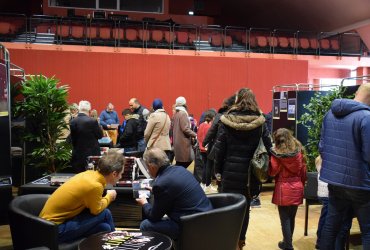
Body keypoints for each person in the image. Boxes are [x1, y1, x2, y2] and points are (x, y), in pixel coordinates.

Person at [213, 88, 272, 250]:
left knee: (227, 208)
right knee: (245, 210)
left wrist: (217, 171)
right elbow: (269, 147)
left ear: (238, 100)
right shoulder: (260, 123)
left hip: (229, 173)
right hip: (250, 177)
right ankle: (240, 243)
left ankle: (228, 242)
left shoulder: (226, 121)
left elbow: (220, 149)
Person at [319, 83, 370, 250]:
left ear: (357, 93)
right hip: (360, 183)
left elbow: (322, 148)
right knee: (367, 231)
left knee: (331, 226)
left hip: (334, 180)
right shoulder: (366, 117)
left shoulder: (330, 114)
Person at [40, 150, 125, 243]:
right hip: (54, 230)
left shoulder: (89, 174)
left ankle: (113, 242)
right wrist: (109, 196)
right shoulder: (95, 185)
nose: (121, 177)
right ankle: (117, 244)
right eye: (121, 174)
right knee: (106, 213)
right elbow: (96, 210)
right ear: (114, 174)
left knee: (105, 227)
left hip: (52, 225)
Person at [135, 148, 213, 240]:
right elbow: (175, 190)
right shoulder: (180, 169)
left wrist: (144, 203)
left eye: (147, 167)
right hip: (207, 218)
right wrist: (156, 191)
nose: (148, 170)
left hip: (190, 225)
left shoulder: (161, 184)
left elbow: (154, 216)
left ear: (152, 167)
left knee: (146, 225)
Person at [268, 128, 307, 250]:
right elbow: (303, 171)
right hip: (297, 186)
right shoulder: (299, 151)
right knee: (291, 217)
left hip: (283, 188)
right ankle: (286, 243)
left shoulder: (277, 153)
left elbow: (273, 171)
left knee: (284, 218)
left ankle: (288, 246)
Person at [315, 155, 353, 250]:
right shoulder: (335, 160)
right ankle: (323, 242)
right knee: (334, 224)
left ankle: (320, 241)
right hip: (331, 194)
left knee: (326, 220)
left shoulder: (320, 159)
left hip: (324, 193)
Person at [70, 100, 103, 173]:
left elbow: (73, 139)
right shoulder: (93, 121)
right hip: (92, 155)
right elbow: (100, 135)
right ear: (89, 110)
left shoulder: (73, 121)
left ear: (79, 109)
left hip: (78, 154)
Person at [172, 96, 197, 168]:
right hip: (183, 143)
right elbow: (185, 129)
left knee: (179, 163)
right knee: (186, 161)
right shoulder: (183, 114)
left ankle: (175, 176)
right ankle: (176, 176)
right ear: (184, 104)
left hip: (177, 142)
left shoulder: (176, 114)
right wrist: (195, 135)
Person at [197, 110, 216, 192]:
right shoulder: (209, 127)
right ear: (212, 118)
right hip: (208, 148)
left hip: (201, 148)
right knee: (208, 167)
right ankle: (207, 184)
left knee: (205, 166)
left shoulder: (201, 125)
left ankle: (203, 183)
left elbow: (198, 136)